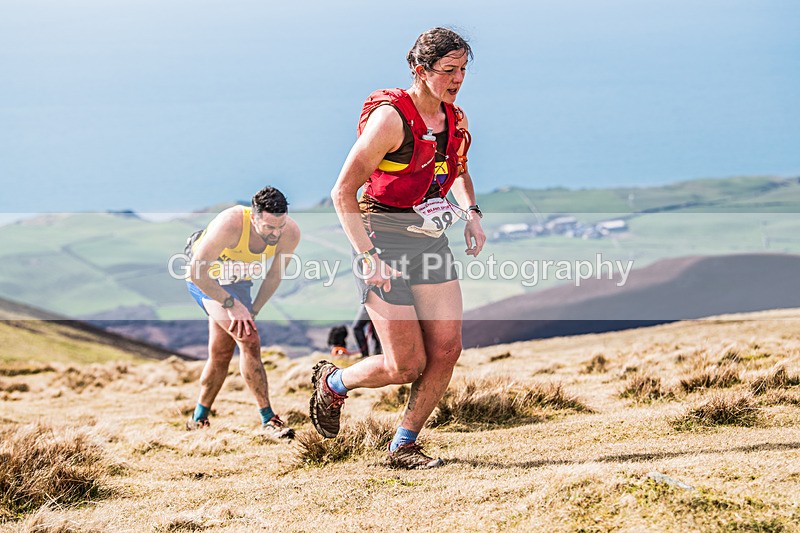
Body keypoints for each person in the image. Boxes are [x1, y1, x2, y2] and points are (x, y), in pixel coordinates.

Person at [310, 28, 486, 468]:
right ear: (420, 70)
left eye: (463, 69)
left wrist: (472, 214)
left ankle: (403, 445)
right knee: (405, 365)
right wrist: (368, 257)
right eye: (448, 70)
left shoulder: (455, 120)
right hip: (379, 237)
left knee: (446, 350)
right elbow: (342, 192)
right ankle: (334, 383)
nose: (458, 79)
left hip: (427, 237)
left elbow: (459, 173)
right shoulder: (391, 120)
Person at [184, 186, 300, 438]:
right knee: (249, 338)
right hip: (206, 280)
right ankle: (268, 420)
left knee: (221, 353)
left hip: (239, 281)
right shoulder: (230, 223)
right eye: (269, 227)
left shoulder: (289, 232)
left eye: (280, 226)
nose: (275, 233)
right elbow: (196, 273)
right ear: (253, 217)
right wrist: (232, 305)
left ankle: (198, 419)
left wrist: (254, 308)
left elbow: (274, 275)